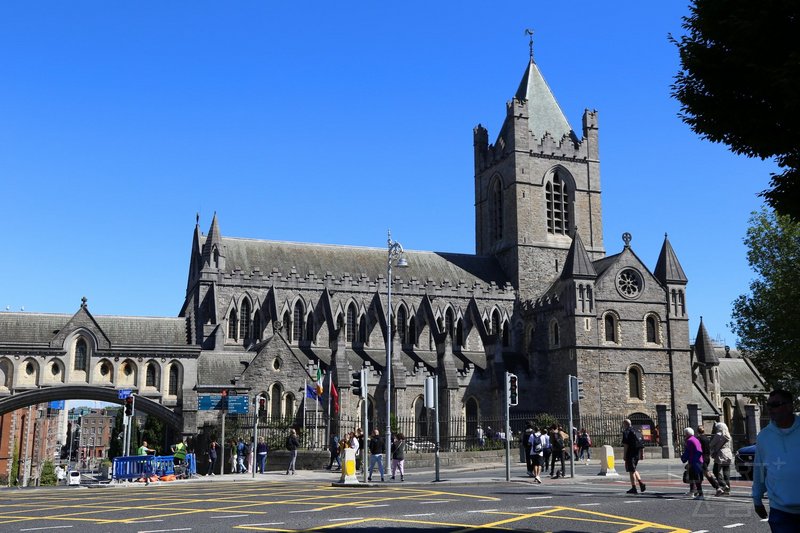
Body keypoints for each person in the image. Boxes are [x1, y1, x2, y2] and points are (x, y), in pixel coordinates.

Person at [752, 389, 800, 531]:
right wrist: (757, 499)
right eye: (769, 406)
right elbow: (759, 470)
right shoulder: (764, 436)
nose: (771, 409)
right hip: (780, 511)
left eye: (776, 404)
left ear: (790, 406)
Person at [621, 419, 646, 495]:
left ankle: (634, 487)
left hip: (630, 452)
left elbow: (626, 445)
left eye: (623, 424)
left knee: (631, 470)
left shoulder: (626, 432)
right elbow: (642, 443)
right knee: (634, 469)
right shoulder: (637, 431)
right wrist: (642, 454)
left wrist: (624, 455)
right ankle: (640, 483)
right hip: (637, 452)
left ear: (625, 424)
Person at [695, 426, 721, 495]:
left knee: (706, 473)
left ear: (697, 431)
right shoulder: (707, 438)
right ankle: (698, 490)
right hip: (707, 457)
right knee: (701, 473)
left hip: (702, 457)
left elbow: (698, 449)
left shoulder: (699, 439)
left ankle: (717, 487)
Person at [709, 422, 732, 496]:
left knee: (715, 470)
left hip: (721, 454)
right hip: (728, 454)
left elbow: (712, 444)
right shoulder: (728, 435)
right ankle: (727, 489)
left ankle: (723, 485)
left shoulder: (719, 434)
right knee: (726, 472)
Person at [681, 427, 704, 499]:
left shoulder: (690, 441)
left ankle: (700, 494)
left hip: (694, 461)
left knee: (696, 478)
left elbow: (689, 451)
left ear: (687, 434)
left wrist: (684, 458)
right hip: (698, 461)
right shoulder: (695, 439)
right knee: (693, 477)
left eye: (685, 433)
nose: (684, 435)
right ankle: (693, 492)